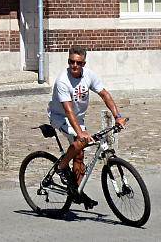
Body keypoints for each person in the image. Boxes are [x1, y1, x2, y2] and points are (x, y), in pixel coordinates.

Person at [48, 45, 127, 209]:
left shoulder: (88, 75)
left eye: (78, 63)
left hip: (77, 118)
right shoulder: (63, 81)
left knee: (80, 155)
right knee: (81, 141)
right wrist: (80, 133)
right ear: (68, 61)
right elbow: (68, 111)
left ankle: (77, 190)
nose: (74, 66)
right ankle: (62, 167)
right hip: (61, 117)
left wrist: (117, 117)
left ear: (83, 64)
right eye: (71, 62)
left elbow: (104, 94)